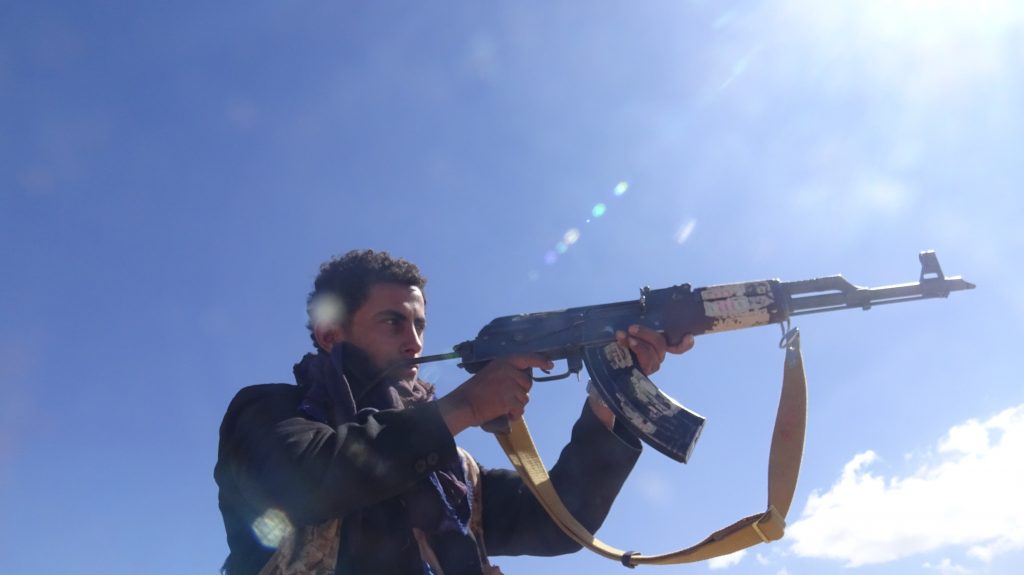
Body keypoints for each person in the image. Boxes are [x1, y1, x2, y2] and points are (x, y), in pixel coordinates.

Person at [215, 250, 694, 575]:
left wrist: (609, 398)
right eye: (392, 321)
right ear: (330, 334)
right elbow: (305, 481)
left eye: (419, 324)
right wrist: (464, 405)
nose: (414, 342)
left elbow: (559, 523)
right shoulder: (269, 410)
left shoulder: (453, 472)